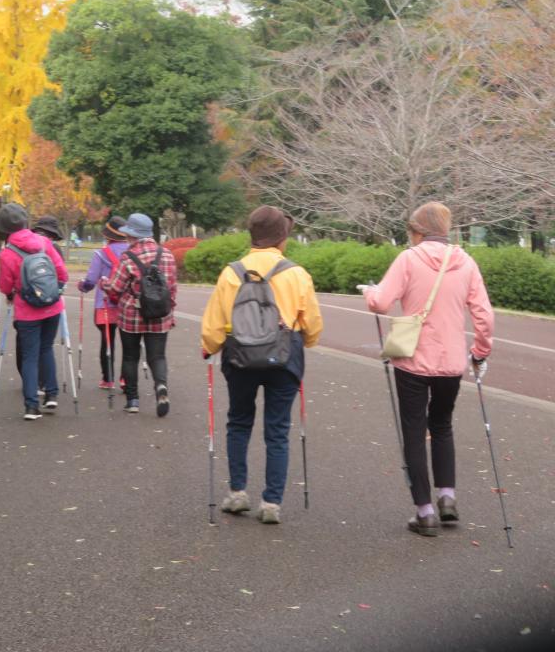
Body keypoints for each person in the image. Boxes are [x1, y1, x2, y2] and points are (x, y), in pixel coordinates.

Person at [357, 201, 494, 537]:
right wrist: (479, 352)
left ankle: (425, 512)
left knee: (415, 432)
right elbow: (485, 316)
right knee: (443, 426)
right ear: (445, 229)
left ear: (416, 230)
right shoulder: (466, 263)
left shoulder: (409, 258)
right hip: (451, 362)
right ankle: (448, 497)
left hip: (412, 360)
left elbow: (380, 302)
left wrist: (370, 291)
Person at [201, 206, 323, 524]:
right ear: (282, 237)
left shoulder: (232, 272)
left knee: (239, 422)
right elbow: (311, 324)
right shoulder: (296, 273)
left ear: (251, 235)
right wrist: (305, 342)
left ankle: (238, 493)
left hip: (240, 356)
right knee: (278, 429)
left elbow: (214, 325)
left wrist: (209, 347)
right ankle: (271, 503)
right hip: (285, 357)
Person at [0, 203, 69, 420]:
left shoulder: (7, 253)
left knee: (29, 356)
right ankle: (52, 394)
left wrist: (11, 294)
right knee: (47, 348)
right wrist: (55, 289)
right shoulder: (45, 242)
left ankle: (31, 406)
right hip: (52, 305)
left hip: (27, 310)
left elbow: (5, 286)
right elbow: (62, 273)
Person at [100, 213, 176, 416]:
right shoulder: (167, 255)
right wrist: (171, 312)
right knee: (158, 356)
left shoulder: (128, 257)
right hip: (160, 315)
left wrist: (104, 284)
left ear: (132, 236)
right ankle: (161, 387)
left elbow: (115, 288)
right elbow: (172, 288)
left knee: (130, 356)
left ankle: (133, 400)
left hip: (132, 315)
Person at [77, 217, 129, 389]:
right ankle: (126, 379)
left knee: (107, 342)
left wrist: (83, 287)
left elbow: (91, 280)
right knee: (129, 344)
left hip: (105, 304)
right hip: (128, 305)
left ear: (108, 235)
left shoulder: (101, 254)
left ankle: (108, 379)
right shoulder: (133, 252)